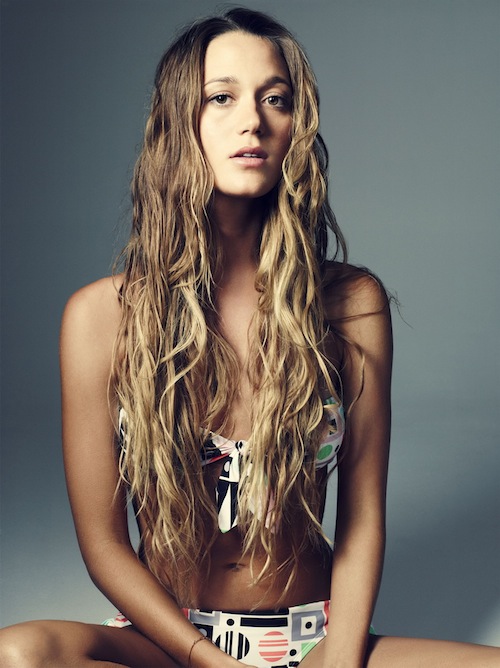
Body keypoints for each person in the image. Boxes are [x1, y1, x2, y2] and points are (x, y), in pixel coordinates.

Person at [1, 7, 499, 668]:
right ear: (180, 123)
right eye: (222, 97)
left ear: (296, 125)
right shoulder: (100, 317)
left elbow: (361, 523)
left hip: (313, 640)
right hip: (169, 645)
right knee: (19, 654)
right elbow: (104, 546)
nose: (253, 122)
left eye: (275, 99)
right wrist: (206, 660)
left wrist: (340, 663)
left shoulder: (351, 303)